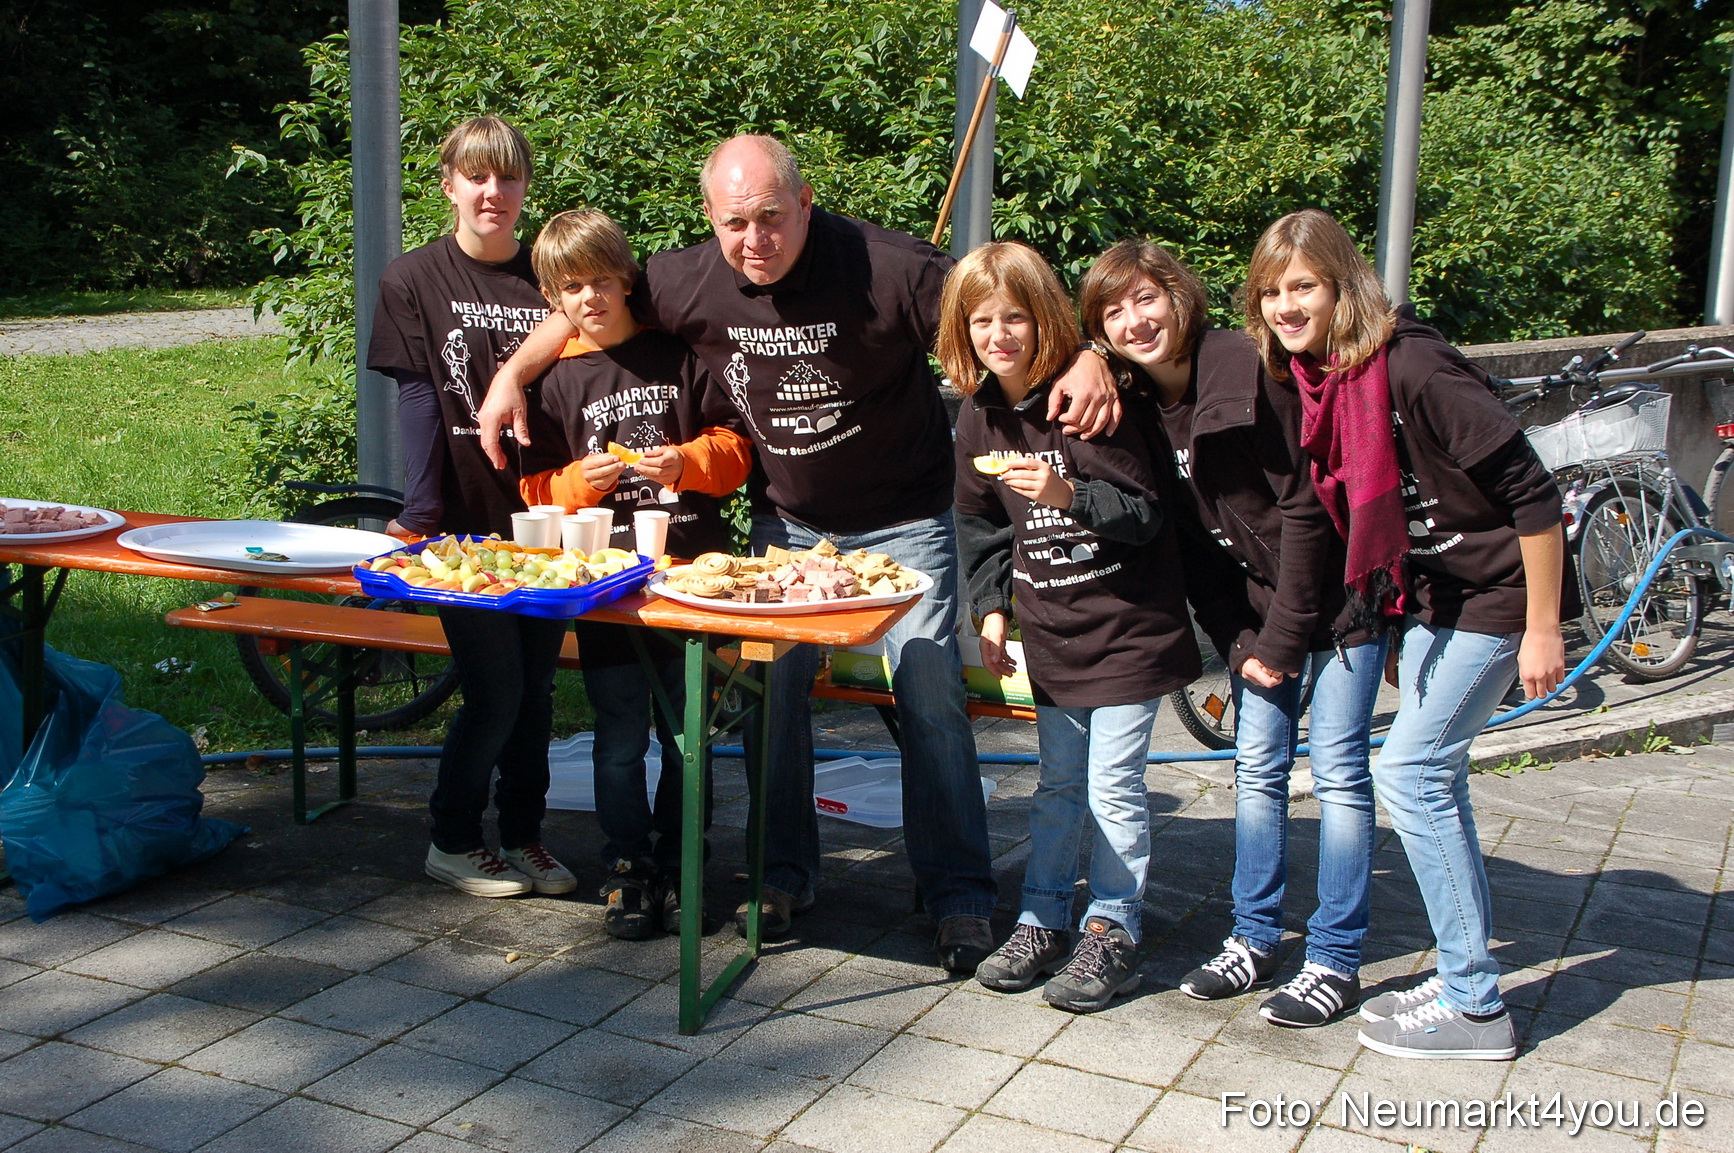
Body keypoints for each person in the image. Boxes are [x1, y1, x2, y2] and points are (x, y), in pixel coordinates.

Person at [472, 134, 1120, 972]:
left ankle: (958, 892)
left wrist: (1094, 355)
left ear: (806, 201)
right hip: (786, 529)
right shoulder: (688, 276)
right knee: (768, 694)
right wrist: (510, 377)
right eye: (736, 223)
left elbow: (1006, 304)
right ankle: (782, 876)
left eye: (772, 218)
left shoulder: (892, 267)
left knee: (926, 682)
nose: (755, 241)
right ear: (710, 219)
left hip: (907, 522)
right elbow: (588, 301)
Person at [1243, 208, 1569, 1059]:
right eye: (1272, 291)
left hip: (1497, 595)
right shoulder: (1316, 382)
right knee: (1438, 781)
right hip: (1435, 598)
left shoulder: (1414, 365)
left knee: (1410, 771)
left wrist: (1543, 628)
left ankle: (1477, 1006)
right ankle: (1465, 973)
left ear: (1341, 284)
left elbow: (1533, 495)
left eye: (1303, 286)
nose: (1286, 305)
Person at [1079, 239, 1384, 1028]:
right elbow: (1194, 550)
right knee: (1257, 770)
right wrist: (1241, 643)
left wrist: (1280, 643)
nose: (1134, 320)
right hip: (1258, 611)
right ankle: (1254, 936)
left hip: (1341, 599)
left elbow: (1306, 512)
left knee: (1343, 774)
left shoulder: (1243, 366)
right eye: (1113, 310)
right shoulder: (1140, 404)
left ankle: (1336, 957)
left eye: (1148, 298)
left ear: (1182, 296)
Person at [947, 242, 1200, 1011]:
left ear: (1044, 319)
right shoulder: (979, 416)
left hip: (1128, 629)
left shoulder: (1090, 398)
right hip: (1052, 634)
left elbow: (1147, 512)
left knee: (1114, 785)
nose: (1000, 335)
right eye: (983, 321)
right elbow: (980, 521)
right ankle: (1042, 915)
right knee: (1058, 782)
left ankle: (1112, 924)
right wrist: (990, 605)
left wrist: (1067, 491)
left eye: (1015, 318)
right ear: (964, 333)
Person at [518, 208, 752, 938]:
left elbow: (737, 450)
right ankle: (626, 866)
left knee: (689, 734)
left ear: (627, 278)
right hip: (605, 590)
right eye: (570, 288)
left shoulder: (677, 357)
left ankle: (685, 862)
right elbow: (533, 491)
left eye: (600, 281)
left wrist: (686, 461)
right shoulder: (554, 384)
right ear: (553, 300)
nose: (589, 297)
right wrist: (577, 485)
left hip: (687, 579)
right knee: (618, 735)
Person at [366, 116, 576, 899]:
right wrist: (422, 510)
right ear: (449, 184)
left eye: (509, 177)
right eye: (478, 177)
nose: (494, 193)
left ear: (525, 185)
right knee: (496, 687)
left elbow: (603, 303)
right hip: (461, 521)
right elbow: (418, 399)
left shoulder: (550, 278)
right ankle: (452, 837)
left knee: (538, 686)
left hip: (546, 520)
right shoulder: (413, 279)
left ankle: (523, 835)